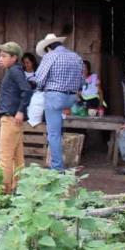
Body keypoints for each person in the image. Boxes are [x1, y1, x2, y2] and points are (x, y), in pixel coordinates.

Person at [35, 33, 84, 172]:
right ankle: (63, 162)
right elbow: (81, 82)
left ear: (48, 47)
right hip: (71, 98)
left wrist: (39, 88)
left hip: (55, 97)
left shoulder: (49, 56)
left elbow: (39, 79)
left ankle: (57, 168)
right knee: (59, 130)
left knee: (54, 134)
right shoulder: (76, 57)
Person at [0, 41, 32, 194]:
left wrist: (21, 110)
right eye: (0, 55)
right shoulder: (13, 71)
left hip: (10, 119)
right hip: (11, 116)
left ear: (14, 57)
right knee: (17, 157)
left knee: (4, 158)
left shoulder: (14, 71)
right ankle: (19, 188)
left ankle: (3, 191)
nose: (0, 58)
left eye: (4, 56)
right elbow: (15, 93)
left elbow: (27, 90)